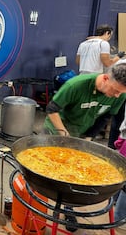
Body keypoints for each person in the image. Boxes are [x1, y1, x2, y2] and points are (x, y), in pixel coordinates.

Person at [43, 62, 126, 232]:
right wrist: (64, 135)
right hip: (59, 128)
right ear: (105, 78)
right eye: (115, 91)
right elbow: (51, 109)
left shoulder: (120, 95)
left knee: (74, 171)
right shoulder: (76, 85)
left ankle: (68, 205)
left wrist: (89, 137)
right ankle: (60, 204)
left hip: (82, 130)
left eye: (121, 93)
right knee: (57, 169)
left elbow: (106, 117)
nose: (117, 96)